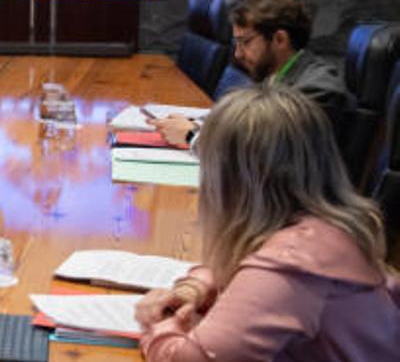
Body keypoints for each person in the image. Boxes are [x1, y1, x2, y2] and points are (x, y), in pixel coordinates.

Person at [135, 85, 399, 360]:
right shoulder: (325, 228)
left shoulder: (292, 264)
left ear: (230, 178)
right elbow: (250, 272)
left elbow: (192, 357)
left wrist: (157, 325)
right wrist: (194, 288)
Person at [150, 0, 351, 146]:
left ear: (280, 39)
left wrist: (192, 137)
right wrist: (198, 124)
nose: (238, 54)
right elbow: (244, 125)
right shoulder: (272, 76)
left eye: (245, 42)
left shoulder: (317, 91)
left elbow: (264, 152)